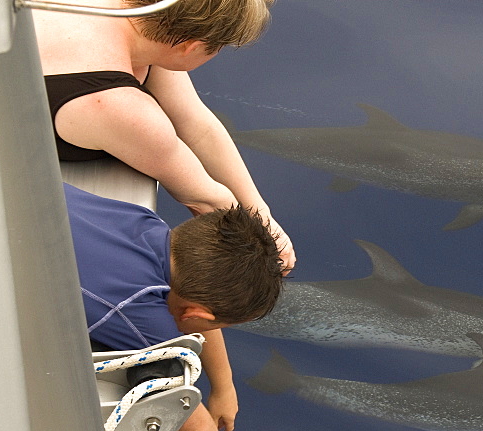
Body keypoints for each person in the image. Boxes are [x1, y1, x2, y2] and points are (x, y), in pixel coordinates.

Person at [65, 182, 284, 431]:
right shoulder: (139, 310)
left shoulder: (148, 224)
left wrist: (224, 386)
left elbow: (200, 320)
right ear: (194, 316)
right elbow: (186, 417)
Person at [35, 0, 296, 273]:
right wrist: (268, 244)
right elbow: (207, 199)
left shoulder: (141, 21)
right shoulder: (121, 106)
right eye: (217, 48)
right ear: (190, 47)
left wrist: (263, 215)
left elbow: (198, 126)